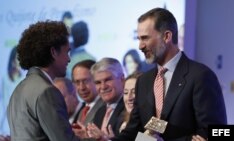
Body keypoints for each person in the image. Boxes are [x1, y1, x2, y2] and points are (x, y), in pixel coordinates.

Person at [89, 8, 227, 141]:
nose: (140, 46)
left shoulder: (200, 76)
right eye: (139, 39)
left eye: (145, 38)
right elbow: (133, 133)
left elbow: (219, 132)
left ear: (166, 36)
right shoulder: (144, 81)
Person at [7, 20, 80, 141]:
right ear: (53, 52)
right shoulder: (48, 92)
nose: (69, 59)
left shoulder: (18, 90)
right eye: (67, 52)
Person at [87, 58, 125, 139]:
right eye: (98, 82)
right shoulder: (100, 112)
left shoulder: (131, 107)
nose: (103, 87)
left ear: (122, 79)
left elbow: (149, 138)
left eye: (108, 80)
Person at [71, 60, 105, 139]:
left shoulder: (106, 106)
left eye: (85, 81)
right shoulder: (82, 111)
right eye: (77, 82)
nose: (81, 87)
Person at [0, 46, 24, 134]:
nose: (20, 61)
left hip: (22, 121)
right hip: (8, 122)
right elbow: (5, 102)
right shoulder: (5, 79)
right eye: (18, 58)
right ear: (12, 60)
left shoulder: (25, 78)